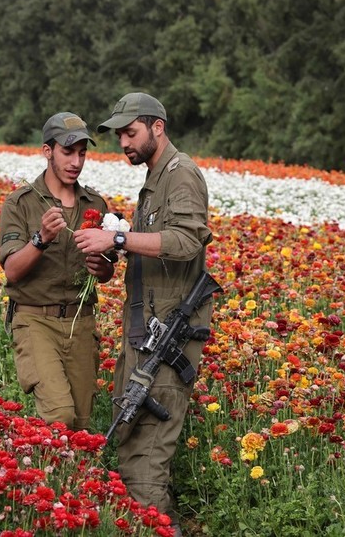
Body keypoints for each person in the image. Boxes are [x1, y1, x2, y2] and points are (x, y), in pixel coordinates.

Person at [73, 93, 212, 534]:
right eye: (119, 136)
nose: (124, 144)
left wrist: (118, 241)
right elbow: (154, 252)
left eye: (130, 133)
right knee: (133, 449)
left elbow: (188, 241)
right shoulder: (154, 179)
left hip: (168, 339)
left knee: (145, 463)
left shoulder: (180, 175)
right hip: (146, 335)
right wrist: (111, 258)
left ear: (157, 127)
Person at [0, 112, 115, 431]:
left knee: (81, 423)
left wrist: (102, 268)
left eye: (82, 152)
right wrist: (41, 239)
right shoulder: (21, 203)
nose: (76, 161)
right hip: (35, 320)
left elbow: (106, 271)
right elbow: (12, 271)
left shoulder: (95, 203)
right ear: (47, 151)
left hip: (81, 322)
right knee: (60, 415)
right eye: (68, 151)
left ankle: (66, 481)